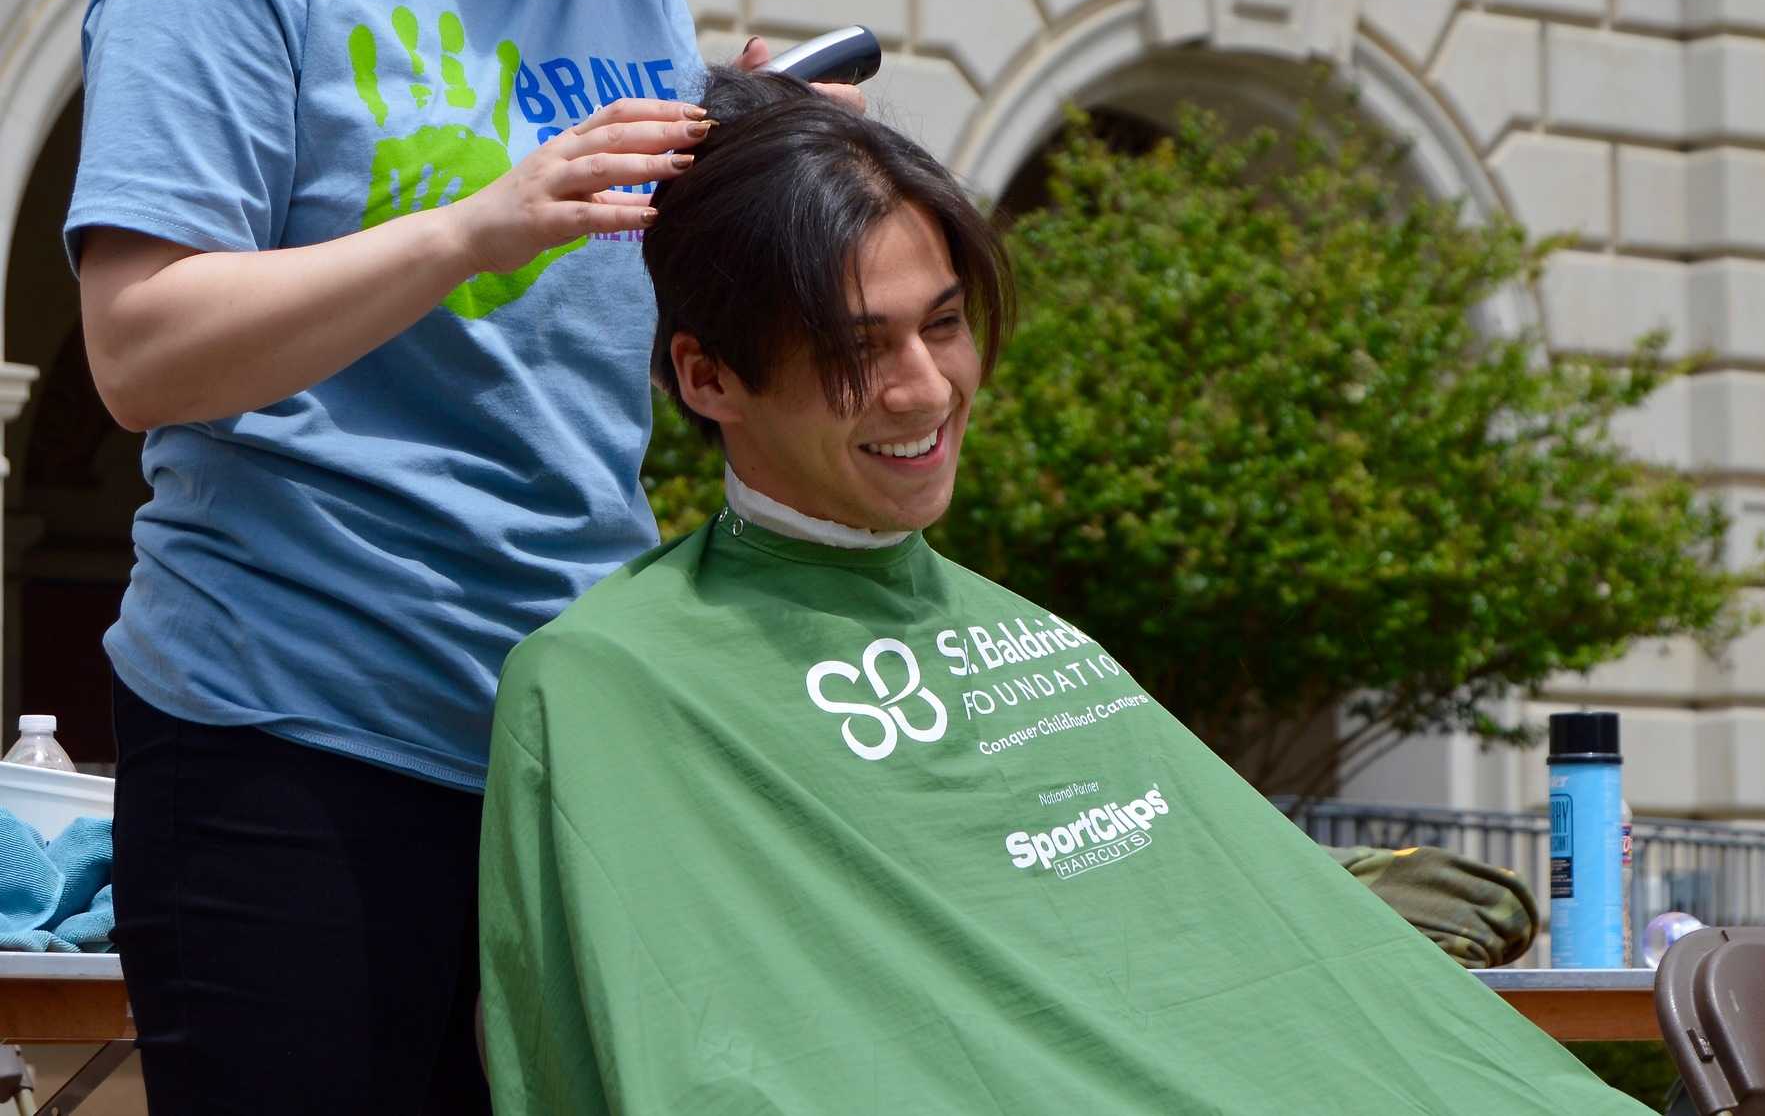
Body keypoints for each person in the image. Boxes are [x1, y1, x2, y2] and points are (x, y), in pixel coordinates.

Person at [63, 0, 854, 1109]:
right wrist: (473, 227)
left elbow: (589, 317)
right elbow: (139, 352)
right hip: (287, 740)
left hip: (573, 743)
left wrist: (737, 152)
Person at [477, 71, 1642, 1113]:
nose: (924, 389)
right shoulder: (611, 677)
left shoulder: (1028, 637)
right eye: (857, 348)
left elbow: (1187, 914)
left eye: (944, 324)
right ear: (706, 373)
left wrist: (1343, 892)